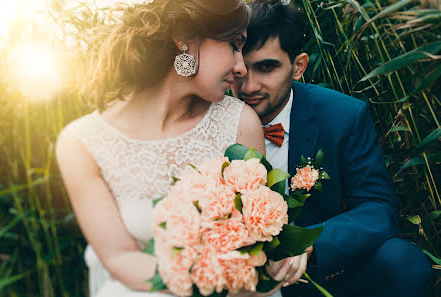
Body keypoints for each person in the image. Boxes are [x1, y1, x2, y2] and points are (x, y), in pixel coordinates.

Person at [54, 1, 294, 296]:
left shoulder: (240, 123)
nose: (241, 67)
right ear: (185, 40)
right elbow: (118, 256)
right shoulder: (81, 143)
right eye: (234, 45)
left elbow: (257, 239)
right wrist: (202, 278)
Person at [231, 1, 434, 296]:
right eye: (240, 70)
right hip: (236, 280)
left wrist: (312, 244)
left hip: (318, 278)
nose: (248, 86)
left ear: (298, 66)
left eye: (265, 67)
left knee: (404, 262)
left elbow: (377, 208)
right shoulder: (207, 119)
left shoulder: (343, 116)